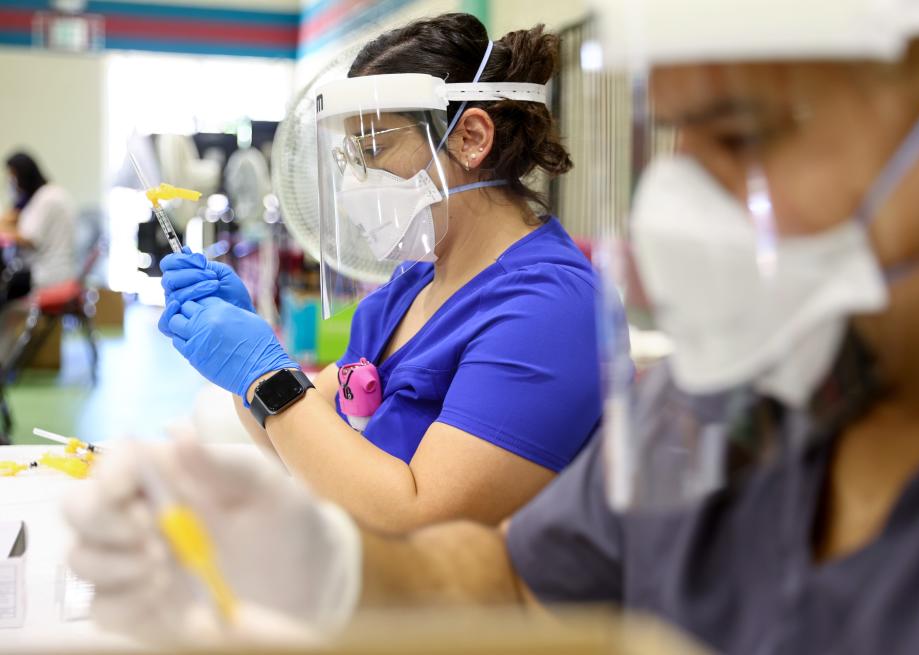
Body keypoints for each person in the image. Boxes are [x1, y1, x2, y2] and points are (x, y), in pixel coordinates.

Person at [66, 1, 919, 652]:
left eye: (747, 136)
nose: (682, 205)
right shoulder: (713, 408)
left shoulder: (550, 305)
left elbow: (416, 498)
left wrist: (272, 385)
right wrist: (328, 570)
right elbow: (514, 579)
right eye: (684, 140)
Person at [155, 14, 601, 534]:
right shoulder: (412, 286)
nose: (353, 184)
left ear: (471, 138)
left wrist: (264, 371)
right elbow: (300, 446)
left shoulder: (549, 309)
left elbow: (421, 518)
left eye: (371, 150)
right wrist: (242, 356)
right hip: (371, 591)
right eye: (348, 158)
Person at [1, 152, 76, 306]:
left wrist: (5, 229)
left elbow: (30, 238)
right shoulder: (41, 197)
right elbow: (13, 216)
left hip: (49, 273)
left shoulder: (46, 197)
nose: (12, 183)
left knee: (5, 290)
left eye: (13, 177)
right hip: (50, 269)